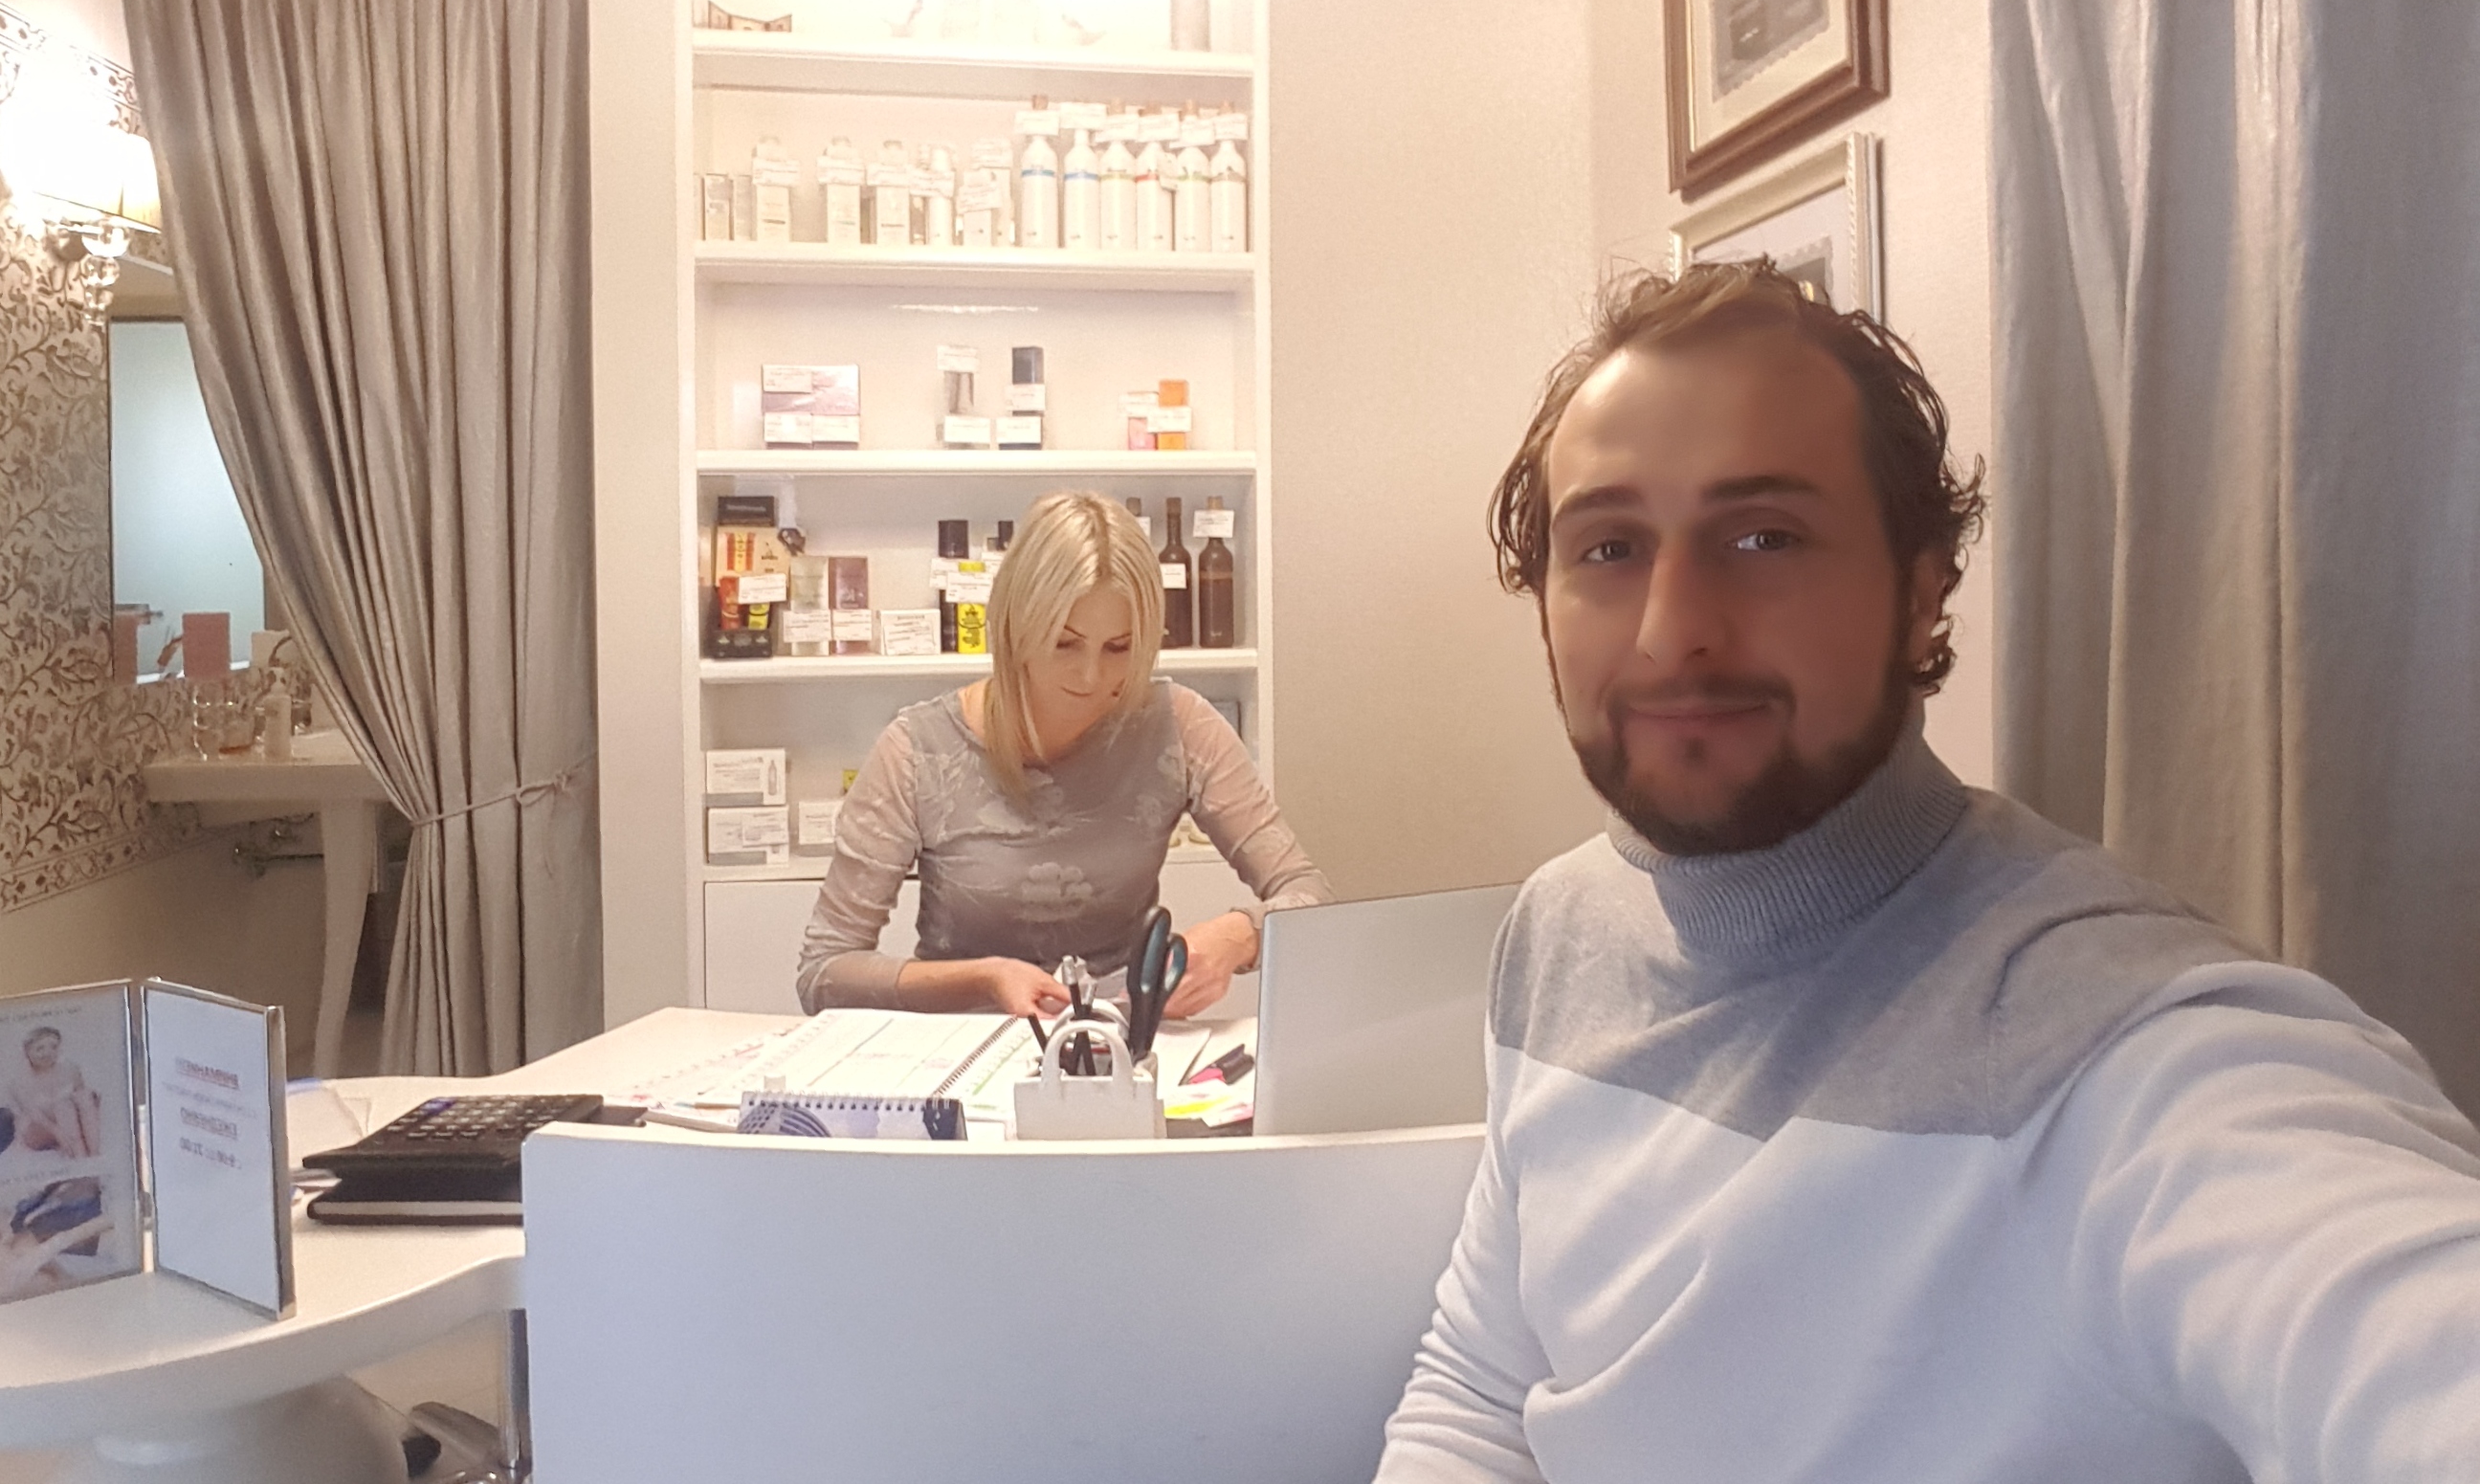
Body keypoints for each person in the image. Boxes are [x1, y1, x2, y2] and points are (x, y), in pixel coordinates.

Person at [1377, 262, 2480, 1480]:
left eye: (1763, 536)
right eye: (1610, 547)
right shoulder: (1560, 927)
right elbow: (1481, 1385)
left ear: (1921, 591)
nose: (1671, 630)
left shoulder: (2107, 1046)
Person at [797, 491, 1331, 1019]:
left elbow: (1310, 896)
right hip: (964, 1049)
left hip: (1120, 1040)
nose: (1092, 676)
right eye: (1064, 642)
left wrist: (1239, 936)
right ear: (1016, 626)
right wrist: (985, 977)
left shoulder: (1180, 727)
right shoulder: (918, 751)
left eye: (1119, 647)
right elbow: (824, 973)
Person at [4, 1027, 101, 1161]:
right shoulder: (20, 1081)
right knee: (63, 1107)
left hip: (69, 1123)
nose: (48, 1053)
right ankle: (79, 1155)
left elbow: (84, 1106)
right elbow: (34, 1115)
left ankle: (94, 1155)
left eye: (53, 1047)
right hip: (38, 1130)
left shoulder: (70, 1069)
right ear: (27, 1052)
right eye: (40, 1049)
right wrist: (59, 1133)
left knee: (82, 1097)